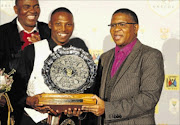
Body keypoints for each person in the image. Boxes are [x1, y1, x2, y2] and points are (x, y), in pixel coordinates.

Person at [82, 8, 165, 125]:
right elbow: (97, 95)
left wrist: (108, 109)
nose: (116, 29)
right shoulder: (105, 57)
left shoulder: (150, 55)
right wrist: (81, 107)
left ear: (135, 28)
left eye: (122, 24)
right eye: (113, 25)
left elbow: (149, 98)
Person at [15, 7, 96, 125]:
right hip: (33, 120)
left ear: (73, 26)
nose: (63, 29)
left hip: (68, 121)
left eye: (68, 24)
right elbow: (16, 89)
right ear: (50, 25)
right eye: (58, 24)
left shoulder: (81, 54)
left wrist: (81, 108)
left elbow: (88, 89)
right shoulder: (32, 51)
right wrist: (30, 101)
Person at [0, 0, 50, 124]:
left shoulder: (50, 31)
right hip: (9, 108)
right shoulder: (2, 33)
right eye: (27, 7)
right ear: (16, 10)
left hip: (44, 109)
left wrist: (42, 48)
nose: (32, 11)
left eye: (36, 6)